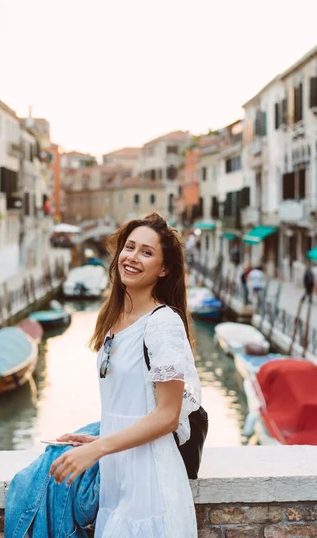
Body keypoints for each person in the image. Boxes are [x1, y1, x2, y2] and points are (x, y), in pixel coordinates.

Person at [50, 213, 202, 538]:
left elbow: (167, 416)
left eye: (146, 252)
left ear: (164, 269)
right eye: (129, 247)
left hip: (150, 487)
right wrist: (99, 439)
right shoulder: (115, 318)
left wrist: (98, 449)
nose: (132, 257)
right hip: (117, 481)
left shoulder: (163, 324)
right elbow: (132, 404)